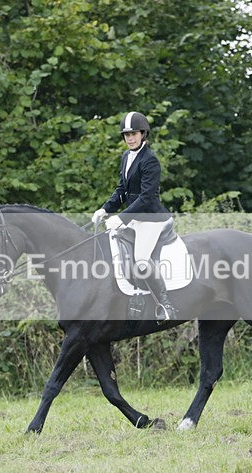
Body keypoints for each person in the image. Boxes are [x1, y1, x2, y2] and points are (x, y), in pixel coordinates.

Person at [92, 111, 177, 323]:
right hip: (134, 217)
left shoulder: (150, 160)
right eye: (126, 135)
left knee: (140, 260)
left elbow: (147, 197)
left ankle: (165, 306)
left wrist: (121, 218)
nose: (130, 138)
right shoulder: (125, 157)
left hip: (151, 219)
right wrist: (105, 209)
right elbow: (122, 189)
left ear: (143, 134)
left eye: (134, 134)